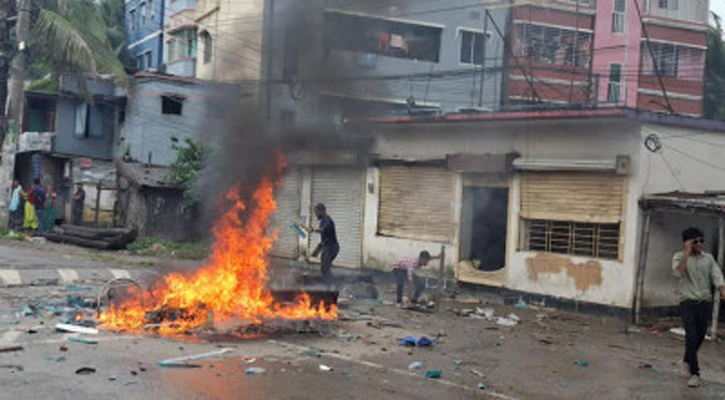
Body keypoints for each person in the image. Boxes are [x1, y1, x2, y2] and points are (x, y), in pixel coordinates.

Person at [672, 227, 725, 388]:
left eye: (702, 240)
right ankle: (695, 373)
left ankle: (687, 360)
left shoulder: (708, 258)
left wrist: (722, 289)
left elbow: (716, 275)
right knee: (691, 335)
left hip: (704, 302)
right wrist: (687, 252)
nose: (700, 244)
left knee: (700, 336)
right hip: (687, 301)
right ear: (688, 242)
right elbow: (678, 273)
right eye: (696, 241)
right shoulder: (679, 256)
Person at [302, 203, 339, 287]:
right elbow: (325, 237)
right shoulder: (323, 220)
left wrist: (312, 230)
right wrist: (316, 251)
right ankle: (330, 285)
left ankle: (332, 287)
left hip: (331, 248)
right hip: (328, 247)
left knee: (325, 269)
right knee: (325, 268)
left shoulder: (327, 220)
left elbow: (322, 230)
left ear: (322, 211)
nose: (316, 214)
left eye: (317, 212)